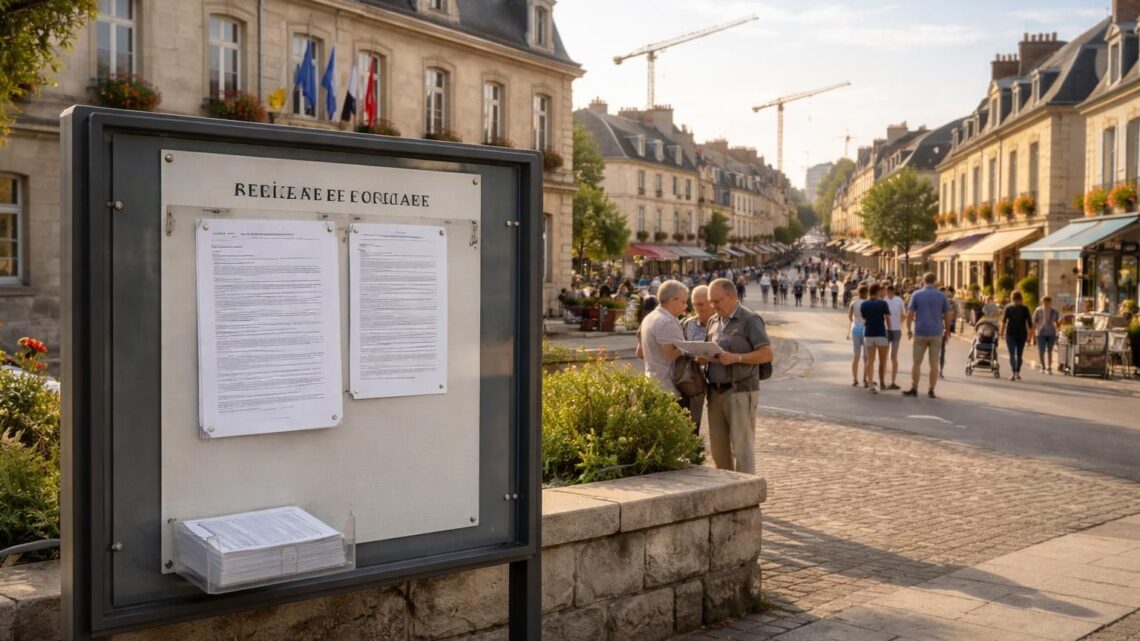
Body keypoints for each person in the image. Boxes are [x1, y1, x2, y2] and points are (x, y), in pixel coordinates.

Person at [703, 278, 773, 475]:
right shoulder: (713, 321)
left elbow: (767, 354)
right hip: (715, 392)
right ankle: (726, 489)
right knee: (718, 451)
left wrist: (737, 358)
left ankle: (746, 489)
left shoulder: (750, 319)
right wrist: (703, 356)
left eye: (717, 301)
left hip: (740, 392)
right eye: (711, 301)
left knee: (742, 450)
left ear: (732, 296)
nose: (713, 306)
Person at [635, 280, 688, 393]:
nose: (686, 306)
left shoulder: (649, 318)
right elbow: (669, 355)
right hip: (667, 387)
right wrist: (689, 348)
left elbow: (639, 353)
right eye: (683, 302)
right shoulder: (667, 321)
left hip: (652, 382)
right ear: (673, 300)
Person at [904, 273, 952, 398]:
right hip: (936, 333)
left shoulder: (916, 294)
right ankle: (931, 389)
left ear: (923, 281)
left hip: (920, 332)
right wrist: (947, 330)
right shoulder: (941, 296)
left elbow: (909, 314)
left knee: (916, 362)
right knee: (934, 363)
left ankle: (914, 387)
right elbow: (948, 314)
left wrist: (909, 329)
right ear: (935, 281)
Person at [679, 285, 714, 429]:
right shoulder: (687, 324)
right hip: (693, 383)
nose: (697, 308)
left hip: (718, 382)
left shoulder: (720, 324)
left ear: (711, 303)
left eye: (701, 304)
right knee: (691, 424)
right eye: (694, 304)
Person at [861, 283, 891, 393]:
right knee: (882, 360)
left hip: (868, 333)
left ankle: (870, 385)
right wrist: (889, 330)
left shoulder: (864, 304)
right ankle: (882, 383)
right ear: (878, 291)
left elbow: (864, 317)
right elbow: (887, 319)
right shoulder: (883, 303)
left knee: (870, 360)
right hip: (880, 333)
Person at [1000, 290, 1034, 381]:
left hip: (1016, 334)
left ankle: (1016, 372)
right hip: (1015, 334)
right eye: (1016, 300)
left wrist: (1001, 333)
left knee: (1016, 355)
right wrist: (1001, 333)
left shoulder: (1022, 309)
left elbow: (1030, 324)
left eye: (1017, 300)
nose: (1017, 302)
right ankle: (1015, 372)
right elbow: (1030, 324)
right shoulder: (1012, 308)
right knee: (1015, 354)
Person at [884, 284, 906, 390]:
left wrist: (898, 322)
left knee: (890, 356)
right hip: (893, 329)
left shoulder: (885, 300)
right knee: (891, 356)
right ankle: (890, 381)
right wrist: (898, 322)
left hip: (890, 329)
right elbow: (904, 315)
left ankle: (888, 381)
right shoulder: (897, 300)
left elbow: (904, 315)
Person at [1033, 296, 1061, 374]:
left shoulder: (1054, 311)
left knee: (1050, 350)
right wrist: (1033, 333)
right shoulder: (1038, 310)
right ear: (1042, 302)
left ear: (1050, 303)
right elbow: (1034, 321)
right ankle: (1043, 366)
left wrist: (1059, 328)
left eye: (1048, 302)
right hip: (1040, 333)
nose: (1046, 304)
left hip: (1051, 333)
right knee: (1041, 350)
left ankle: (1049, 367)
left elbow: (1058, 321)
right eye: (1045, 302)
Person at [848, 284, 869, 387]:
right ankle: (865, 379)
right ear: (866, 293)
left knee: (856, 356)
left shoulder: (853, 302)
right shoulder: (868, 303)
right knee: (866, 357)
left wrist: (855, 321)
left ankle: (855, 379)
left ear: (858, 292)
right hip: (866, 330)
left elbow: (849, 317)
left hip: (855, 329)